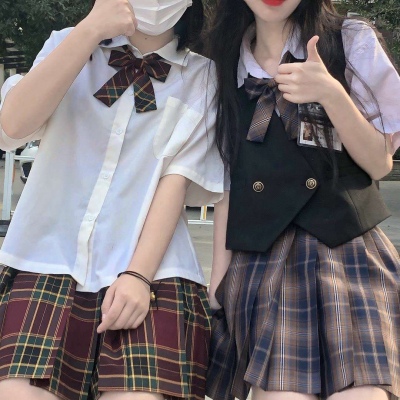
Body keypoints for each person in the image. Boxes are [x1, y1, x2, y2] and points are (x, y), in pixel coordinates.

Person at [0, 0, 223, 399]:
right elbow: (13, 127)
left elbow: (175, 181)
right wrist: (89, 30)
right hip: (46, 257)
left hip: (151, 271)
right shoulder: (68, 43)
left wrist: (138, 276)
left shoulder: (203, 76)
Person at [205, 1, 400, 400]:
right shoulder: (220, 63)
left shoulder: (348, 41)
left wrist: (331, 93)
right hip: (263, 261)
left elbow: (380, 163)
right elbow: (227, 183)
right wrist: (217, 283)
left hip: (348, 249)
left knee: (364, 393)